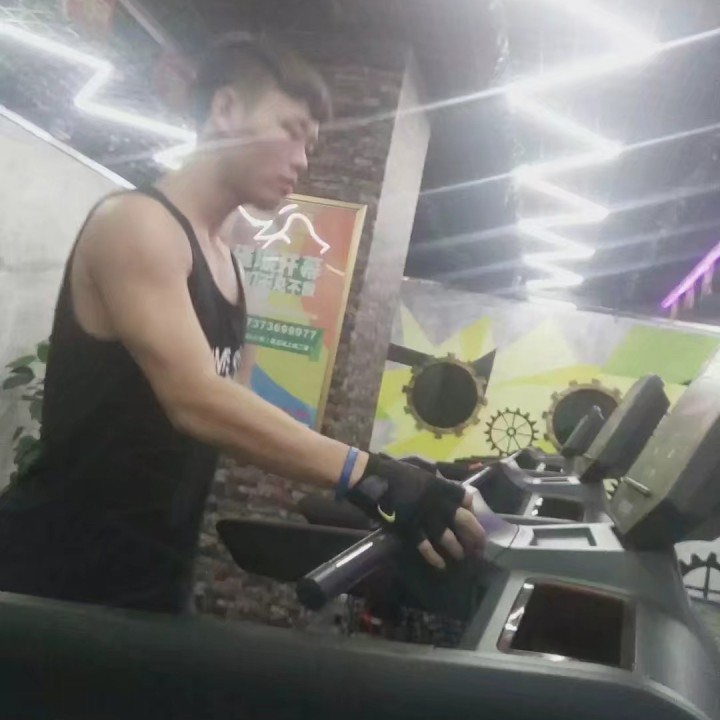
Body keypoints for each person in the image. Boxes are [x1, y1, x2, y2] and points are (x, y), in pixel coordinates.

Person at [0, 36, 486, 614]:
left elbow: (236, 408)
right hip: (52, 574)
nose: (303, 159)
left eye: (310, 143)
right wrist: (370, 476)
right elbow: (195, 400)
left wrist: (388, 475)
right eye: (291, 131)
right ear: (226, 109)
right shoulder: (137, 224)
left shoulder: (226, 257)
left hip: (153, 570)